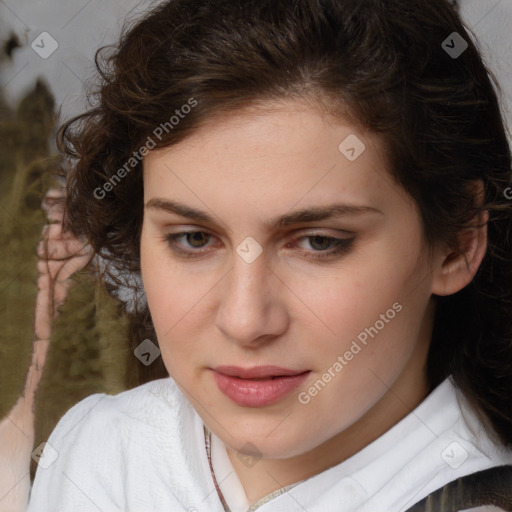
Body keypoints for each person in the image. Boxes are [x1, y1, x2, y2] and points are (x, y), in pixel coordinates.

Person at [26, 0, 512, 511]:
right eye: (193, 238)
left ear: (457, 243)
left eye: (319, 242)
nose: (244, 320)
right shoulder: (99, 451)